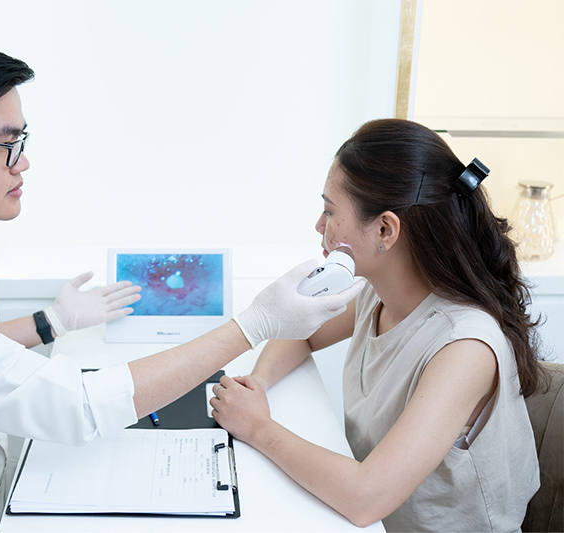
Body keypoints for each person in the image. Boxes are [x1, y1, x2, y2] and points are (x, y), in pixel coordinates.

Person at [0, 32, 363, 532]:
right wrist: (256, 323)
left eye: (22, 140)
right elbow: (72, 407)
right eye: (5, 144)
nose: (22, 163)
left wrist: (52, 321)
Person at [210, 118, 543, 531]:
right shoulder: (378, 290)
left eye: (330, 211)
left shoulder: (464, 348)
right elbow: (301, 331)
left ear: (385, 229)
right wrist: (258, 384)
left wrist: (258, 427)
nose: (320, 226)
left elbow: (365, 498)